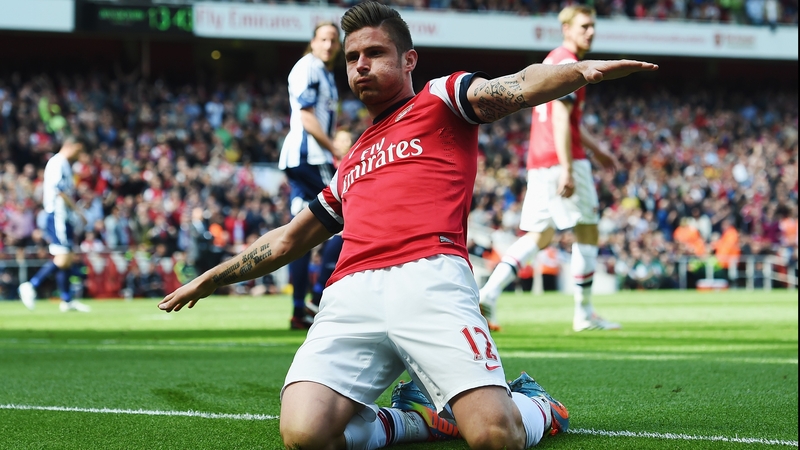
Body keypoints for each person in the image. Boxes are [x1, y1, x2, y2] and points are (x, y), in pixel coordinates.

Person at [158, 2, 657, 448]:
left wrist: (579, 72)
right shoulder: (351, 157)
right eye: (352, 59)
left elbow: (519, 86)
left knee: (492, 435)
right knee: (305, 433)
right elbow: (290, 238)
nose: (360, 67)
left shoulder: (442, 98)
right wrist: (211, 278)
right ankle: (413, 419)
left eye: (374, 53)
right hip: (350, 292)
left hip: (431, 276)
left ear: (408, 60)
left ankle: (539, 407)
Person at [478, 5, 623, 333]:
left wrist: (598, 148)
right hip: (561, 158)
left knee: (540, 234)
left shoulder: (551, 60)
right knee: (588, 228)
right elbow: (560, 117)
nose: (591, 32)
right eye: (584, 26)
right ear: (567, 29)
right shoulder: (570, 63)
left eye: (593, 26)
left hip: (539, 158)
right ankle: (584, 313)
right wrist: (568, 167)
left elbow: (567, 117)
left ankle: (488, 292)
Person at [278, 21, 347, 330]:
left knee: (300, 235)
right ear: (313, 42)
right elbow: (306, 117)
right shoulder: (309, 67)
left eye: (334, 40)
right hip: (310, 157)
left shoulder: (324, 72)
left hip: (300, 158)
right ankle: (319, 298)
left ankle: (298, 309)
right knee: (350, 213)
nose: (329, 45)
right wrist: (335, 148)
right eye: (324, 39)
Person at [18, 136, 91, 312]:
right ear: (70, 145)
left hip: (64, 216)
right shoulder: (57, 163)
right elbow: (60, 191)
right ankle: (31, 285)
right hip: (57, 214)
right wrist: (78, 211)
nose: (79, 155)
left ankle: (66, 300)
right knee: (63, 256)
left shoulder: (65, 164)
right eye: (78, 150)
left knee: (66, 257)